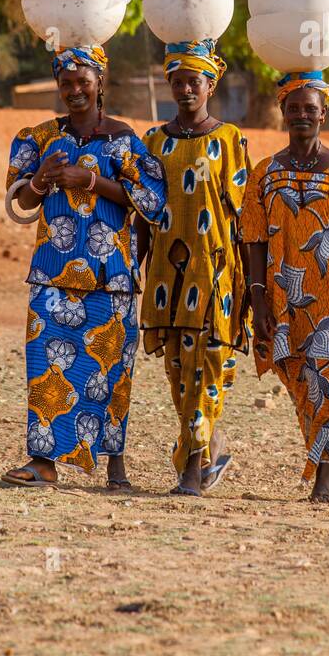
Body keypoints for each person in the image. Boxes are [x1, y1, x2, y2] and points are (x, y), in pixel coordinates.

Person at [3, 45, 166, 487]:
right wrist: (40, 180)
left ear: (100, 83)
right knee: (45, 365)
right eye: (67, 82)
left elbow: (152, 201)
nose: (75, 90)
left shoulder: (125, 139)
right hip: (52, 275)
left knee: (109, 371)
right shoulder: (38, 138)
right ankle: (43, 463)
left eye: (83, 81)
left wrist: (89, 180)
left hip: (110, 276)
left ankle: (115, 466)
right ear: (58, 86)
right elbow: (20, 201)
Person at [239, 69, 329, 504]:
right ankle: (318, 455)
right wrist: (258, 298)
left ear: (325, 113)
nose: (302, 114)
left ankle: (325, 470)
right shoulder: (265, 173)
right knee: (298, 378)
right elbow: (253, 239)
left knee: (327, 379)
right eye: (294, 107)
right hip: (282, 299)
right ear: (283, 111)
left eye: (311, 108)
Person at [136, 40, 251, 496]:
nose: (186, 89)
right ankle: (208, 448)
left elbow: (242, 215)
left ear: (210, 85)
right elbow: (146, 210)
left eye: (194, 81)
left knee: (206, 364)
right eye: (178, 81)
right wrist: (137, 264)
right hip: (167, 272)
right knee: (179, 371)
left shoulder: (229, 139)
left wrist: (250, 282)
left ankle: (193, 468)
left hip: (215, 269)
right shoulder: (153, 141)